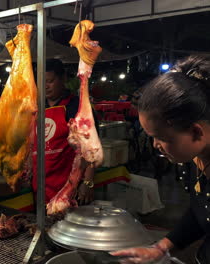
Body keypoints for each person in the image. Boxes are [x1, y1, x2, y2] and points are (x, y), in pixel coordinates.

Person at [110, 55, 210, 263]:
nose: (155, 145)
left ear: (196, 133)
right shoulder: (194, 160)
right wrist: (160, 248)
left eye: (161, 138)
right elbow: (201, 211)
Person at [32, 59, 95, 205]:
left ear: (63, 78)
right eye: (41, 82)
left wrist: (88, 182)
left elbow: (91, 146)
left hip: (69, 186)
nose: (45, 86)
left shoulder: (77, 107)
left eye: (50, 81)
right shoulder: (37, 108)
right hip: (40, 186)